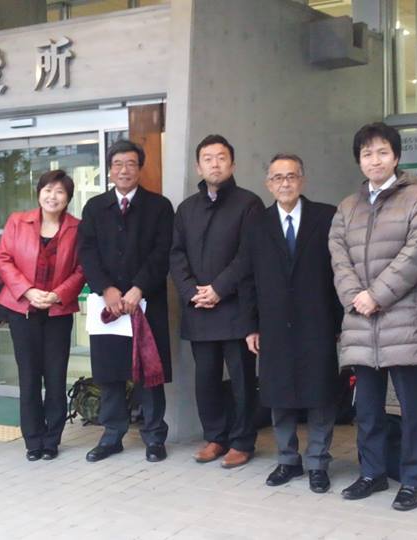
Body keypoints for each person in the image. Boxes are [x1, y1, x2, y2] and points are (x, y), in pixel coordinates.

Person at [328, 122, 417, 510]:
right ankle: (371, 472)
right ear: (359, 160)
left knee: (411, 407)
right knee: (367, 407)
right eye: (367, 154)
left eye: (382, 152)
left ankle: (413, 479)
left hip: (402, 319)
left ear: (396, 156)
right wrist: (355, 297)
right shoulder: (347, 207)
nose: (374, 160)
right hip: (361, 320)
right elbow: (338, 257)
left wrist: (376, 296)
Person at [240, 153, 343, 493]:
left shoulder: (326, 217)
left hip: (318, 321)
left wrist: (339, 322)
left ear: (302, 180)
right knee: (278, 393)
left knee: (320, 395)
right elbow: (247, 279)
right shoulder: (256, 223)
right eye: (278, 177)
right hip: (273, 324)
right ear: (268, 184)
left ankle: (318, 463)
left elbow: (339, 272)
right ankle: (287, 460)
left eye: (291, 176)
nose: (285, 183)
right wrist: (251, 325)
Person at [77, 139, 174, 463]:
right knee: (110, 372)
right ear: (109, 170)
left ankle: (154, 436)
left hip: (146, 302)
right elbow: (87, 252)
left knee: (150, 371)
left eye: (131, 164)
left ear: (140, 168)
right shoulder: (94, 208)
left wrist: (139, 288)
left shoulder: (159, 207)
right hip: (108, 305)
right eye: (118, 164)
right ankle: (112, 435)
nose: (124, 170)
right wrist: (106, 288)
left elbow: (163, 252)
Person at [170, 134, 264, 469]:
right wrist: (191, 292)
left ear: (232, 164)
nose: (215, 164)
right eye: (208, 158)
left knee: (242, 380)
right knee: (206, 378)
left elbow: (249, 255)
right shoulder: (187, 209)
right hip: (199, 307)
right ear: (198, 166)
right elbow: (176, 255)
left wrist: (219, 289)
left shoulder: (249, 203)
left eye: (221, 157)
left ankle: (242, 441)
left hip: (236, 307)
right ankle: (215, 437)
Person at [0, 170, 85, 462]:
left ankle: (52, 440)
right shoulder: (17, 222)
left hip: (58, 311)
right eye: (48, 190)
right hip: (23, 310)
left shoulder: (77, 228)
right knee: (29, 376)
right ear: (38, 193)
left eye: (60, 192)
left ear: (68, 198)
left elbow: (82, 268)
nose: (52, 196)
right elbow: (3, 259)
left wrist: (58, 294)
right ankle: (33, 440)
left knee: (56, 376)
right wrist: (28, 291)